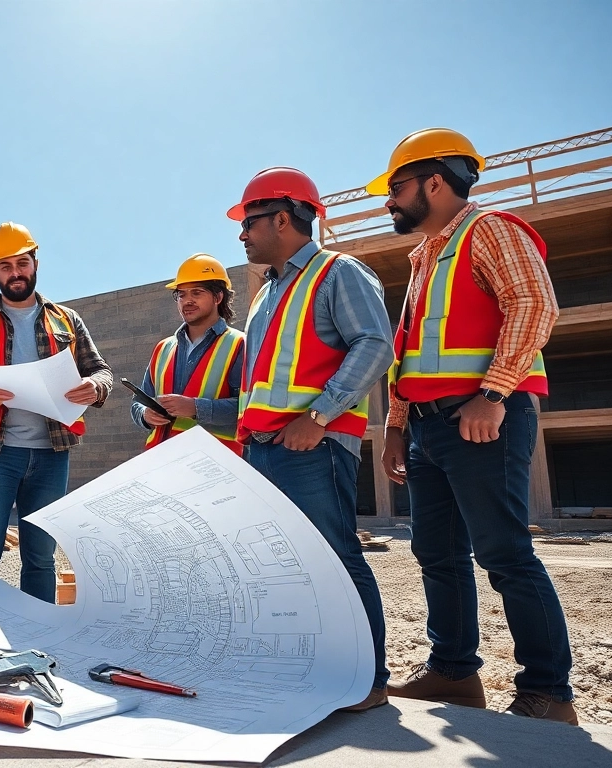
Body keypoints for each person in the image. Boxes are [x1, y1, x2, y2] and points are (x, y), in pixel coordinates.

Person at [372, 128, 576, 724]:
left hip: (482, 417)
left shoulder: (490, 230)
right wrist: (396, 426)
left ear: (435, 182)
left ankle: (549, 693)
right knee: (437, 554)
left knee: (504, 553)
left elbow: (534, 305)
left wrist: (493, 394)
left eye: (397, 188)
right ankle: (454, 674)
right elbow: (411, 351)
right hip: (429, 427)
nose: (390, 202)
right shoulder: (425, 257)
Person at [231, 168, 394, 711]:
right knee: (285, 570)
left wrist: (318, 417)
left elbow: (375, 345)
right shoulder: (267, 292)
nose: (242, 234)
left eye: (249, 221)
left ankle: (367, 681)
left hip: (312, 446)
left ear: (283, 218)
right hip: (266, 447)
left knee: (336, 557)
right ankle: (314, 670)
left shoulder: (337, 272)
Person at [0, 222, 113, 602]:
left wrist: (95, 386)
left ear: (35, 263)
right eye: (5, 266)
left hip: (52, 455)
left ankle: (38, 632)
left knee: (40, 559)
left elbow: (101, 371)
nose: (15, 272)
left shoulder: (67, 321)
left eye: (22, 263)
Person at [131, 254, 244, 454]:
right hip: (162, 458)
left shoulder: (239, 344)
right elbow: (138, 402)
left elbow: (249, 408)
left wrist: (196, 408)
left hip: (215, 460)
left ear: (218, 297)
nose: (187, 300)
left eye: (197, 293)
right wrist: (144, 414)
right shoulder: (163, 348)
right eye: (181, 295)